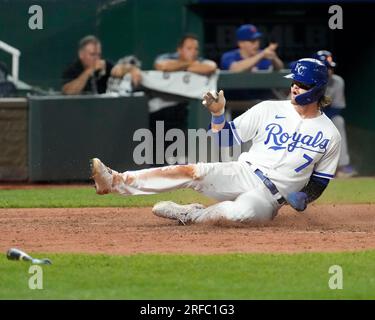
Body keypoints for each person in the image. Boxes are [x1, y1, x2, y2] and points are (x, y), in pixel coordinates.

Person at [90, 58, 341, 224]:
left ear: (318, 88)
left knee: (236, 215)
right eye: (294, 82)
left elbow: (319, 182)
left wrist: (305, 198)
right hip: (243, 171)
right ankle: (116, 181)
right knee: (193, 171)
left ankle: (191, 215)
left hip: (268, 197)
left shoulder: (330, 134)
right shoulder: (269, 108)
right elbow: (224, 139)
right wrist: (218, 114)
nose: (295, 88)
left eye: (302, 84)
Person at [149, 33, 217, 164]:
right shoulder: (167, 58)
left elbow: (211, 67)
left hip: (180, 113)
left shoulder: (200, 60)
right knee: (156, 156)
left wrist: (182, 65)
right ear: (179, 49)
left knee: (179, 156)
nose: (194, 52)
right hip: (157, 112)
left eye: (196, 49)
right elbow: (162, 66)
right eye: (189, 48)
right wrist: (189, 64)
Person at [313, 50, 357, 178]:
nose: (329, 71)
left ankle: (342, 166)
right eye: (325, 67)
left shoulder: (337, 81)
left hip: (322, 116)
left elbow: (337, 107)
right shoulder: (305, 81)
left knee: (338, 120)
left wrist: (320, 119)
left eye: (330, 67)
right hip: (300, 118)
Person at [62, 35, 141, 95]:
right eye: (92, 54)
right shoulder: (72, 69)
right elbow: (68, 92)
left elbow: (118, 69)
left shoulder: (103, 65)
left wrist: (131, 70)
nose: (96, 58)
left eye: (98, 54)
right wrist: (89, 71)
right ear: (81, 54)